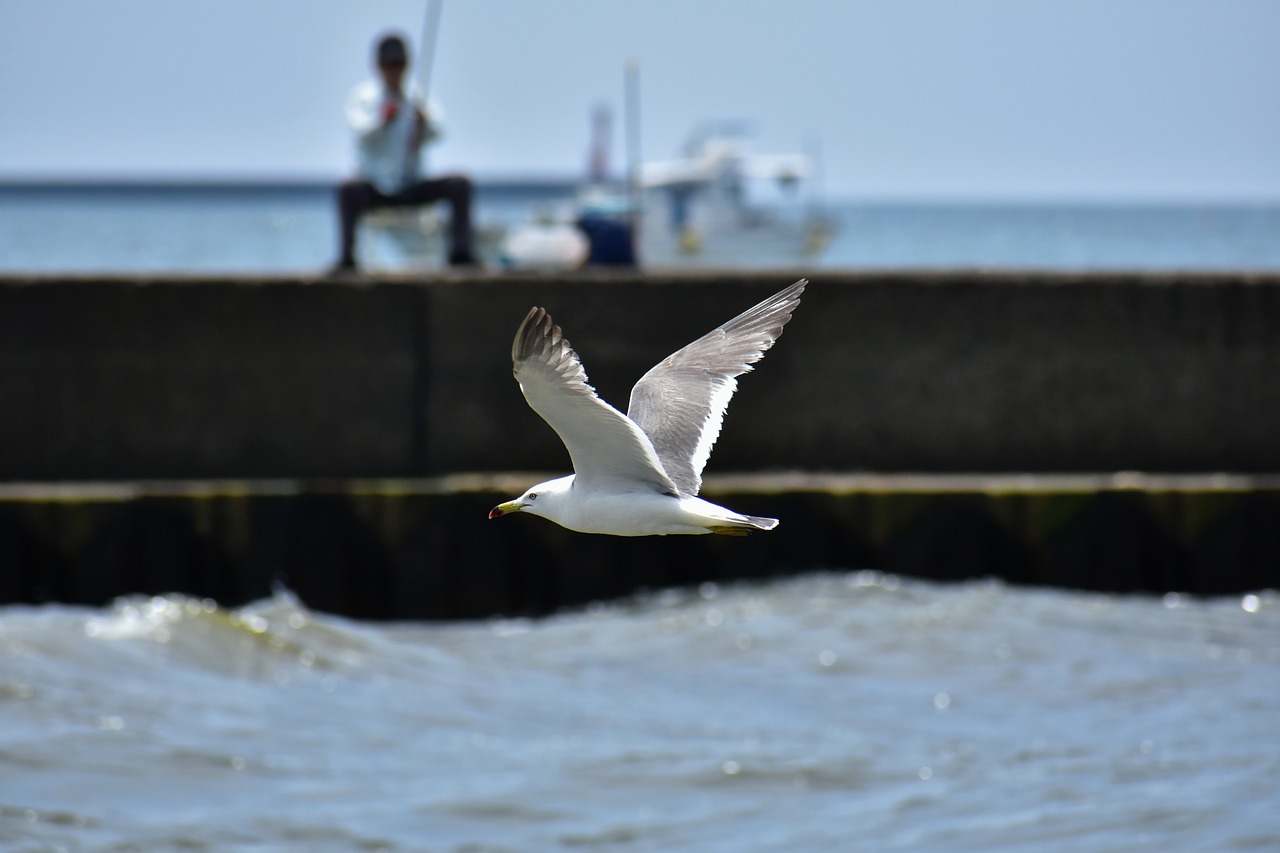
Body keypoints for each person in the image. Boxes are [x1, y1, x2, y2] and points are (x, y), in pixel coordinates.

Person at [331, 32, 478, 273]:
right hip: (375, 186)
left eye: (399, 64)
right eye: (389, 64)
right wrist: (382, 121)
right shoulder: (363, 98)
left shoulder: (418, 96)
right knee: (346, 190)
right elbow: (359, 133)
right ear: (378, 66)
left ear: (407, 65)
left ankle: (461, 255)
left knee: (459, 183)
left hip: (412, 184)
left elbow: (438, 133)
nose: (394, 71)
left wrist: (424, 123)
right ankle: (347, 260)